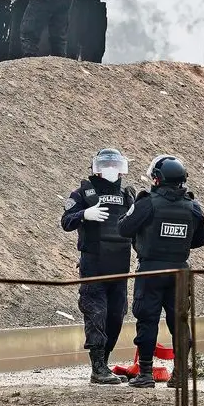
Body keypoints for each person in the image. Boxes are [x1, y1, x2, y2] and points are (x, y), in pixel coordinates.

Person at [117, 155, 204, 388]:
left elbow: (124, 228)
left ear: (157, 179)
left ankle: (145, 373)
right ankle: (179, 374)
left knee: (147, 320)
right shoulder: (193, 206)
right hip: (179, 271)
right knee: (179, 321)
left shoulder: (147, 203)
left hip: (151, 271)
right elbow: (199, 240)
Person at [61, 148, 137, 385]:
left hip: (120, 268)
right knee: (96, 315)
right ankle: (97, 367)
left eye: (116, 165)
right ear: (96, 168)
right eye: (107, 165)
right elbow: (66, 221)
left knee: (116, 317)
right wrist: (84, 214)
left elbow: (137, 228)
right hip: (93, 267)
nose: (112, 170)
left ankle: (103, 363)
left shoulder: (128, 195)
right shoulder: (83, 193)